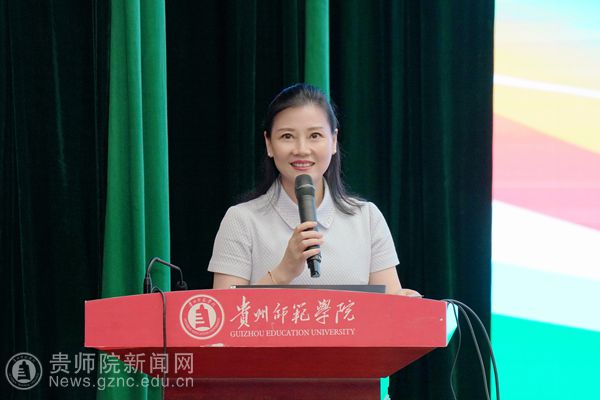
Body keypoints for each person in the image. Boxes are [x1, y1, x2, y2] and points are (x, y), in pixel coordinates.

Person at [208, 83, 419, 297]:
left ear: (333, 141)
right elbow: (224, 313)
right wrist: (283, 273)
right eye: (287, 136)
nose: (301, 150)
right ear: (269, 144)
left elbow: (390, 305)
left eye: (315, 135)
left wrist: (406, 301)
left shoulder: (367, 218)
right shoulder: (241, 220)